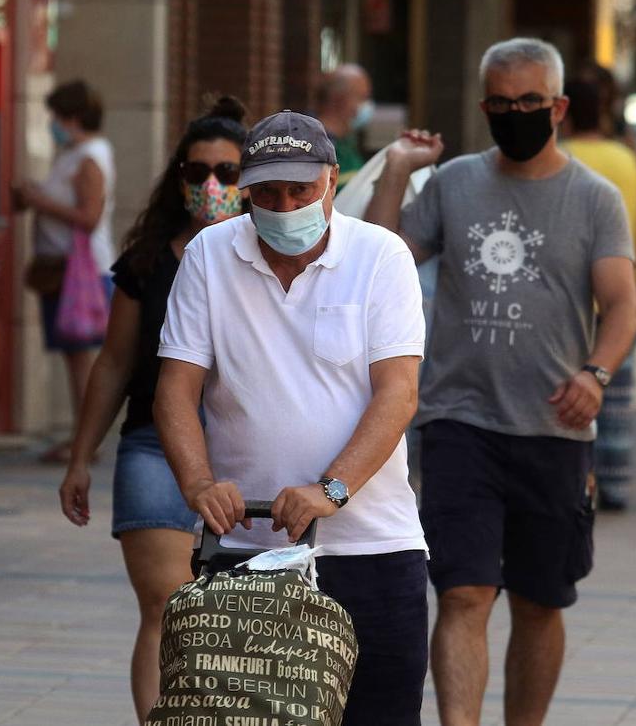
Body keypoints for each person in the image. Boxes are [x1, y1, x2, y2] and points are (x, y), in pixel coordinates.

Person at [364, 37, 636, 726]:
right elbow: (381, 261)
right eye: (501, 103)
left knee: (541, 601)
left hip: (553, 425)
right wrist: (400, 168)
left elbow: (625, 302)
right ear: (483, 104)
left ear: (559, 107)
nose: (514, 114)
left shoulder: (595, 198)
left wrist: (596, 373)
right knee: (463, 593)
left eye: (529, 103)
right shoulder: (455, 182)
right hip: (460, 421)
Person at [155, 109, 430, 725]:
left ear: (332, 179)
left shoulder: (381, 256)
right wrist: (199, 484)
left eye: (300, 190)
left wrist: (331, 490)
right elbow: (175, 389)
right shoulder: (209, 254)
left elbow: (398, 395)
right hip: (246, 550)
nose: (283, 207)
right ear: (245, 190)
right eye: (267, 193)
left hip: (372, 549)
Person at [59, 96, 248, 722]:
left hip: (248, 451)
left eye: (227, 171)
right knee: (168, 604)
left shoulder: (271, 262)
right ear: (180, 178)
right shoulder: (146, 262)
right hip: (152, 445)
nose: (213, 185)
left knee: (230, 616)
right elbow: (112, 364)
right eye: (198, 173)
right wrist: (81, 457)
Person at [561, 75, 636, 511]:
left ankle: (581, 480)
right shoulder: (626, 158)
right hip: (619, 295)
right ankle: (615, 484)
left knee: (569, 396)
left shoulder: (561, 157)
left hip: (570, 300)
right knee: (612, 395)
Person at [16, 79, 117, 463]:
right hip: (64, 271)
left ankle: (85, 440)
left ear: (72, 117)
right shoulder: (74, 153)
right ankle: (83, 437)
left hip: (82, 275)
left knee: (81, 358)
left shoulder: (89, 156)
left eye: (56, 117)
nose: (52, 124)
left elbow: (89, 217)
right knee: (75, 358)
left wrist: (40, 201)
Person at [315, 63, 374, 189]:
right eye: (362, 97)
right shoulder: (316, 147)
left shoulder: (346, 143)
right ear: (338, 98)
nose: (366, 106)